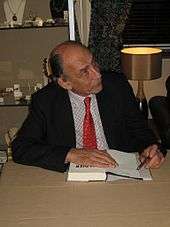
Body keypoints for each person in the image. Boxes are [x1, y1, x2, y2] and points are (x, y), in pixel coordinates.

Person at [12, 41, 166, 172]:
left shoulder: (117, 85)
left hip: (119, 170)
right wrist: (70, 154)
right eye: (84, 72)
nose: (97, 74)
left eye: (94, 63)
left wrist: (151, 149)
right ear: (65, 82)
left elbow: (141, 131)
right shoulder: (46, 100)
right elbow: (21, 148)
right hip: (70, 175)